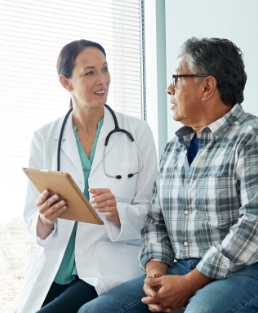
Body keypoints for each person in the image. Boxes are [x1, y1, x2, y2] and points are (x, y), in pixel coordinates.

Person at [79, 37, 258, 313]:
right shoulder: (174, 148)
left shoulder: (257, 138)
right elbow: (156, 222)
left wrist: (190, 283)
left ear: (207, 86)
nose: (169, 88)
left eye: (177, 79)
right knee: (94, 312)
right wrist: (155, 273)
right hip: (182, 266)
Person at [16, 39, 159, 313]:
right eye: (90, 72)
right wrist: (45, 217)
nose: (102, 79)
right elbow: (32, 217)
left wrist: (118, 212)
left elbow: (153, 214)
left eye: (105, 69)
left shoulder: (137, 132)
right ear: (66, 82)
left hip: (106, 266)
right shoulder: (44, 137)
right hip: (56, 267)